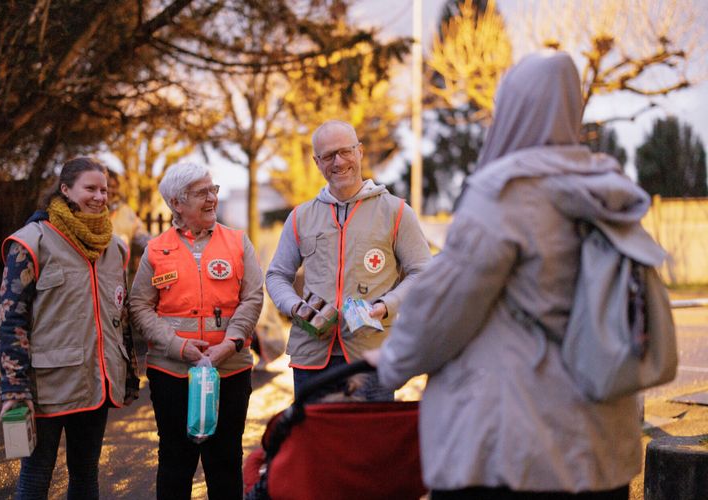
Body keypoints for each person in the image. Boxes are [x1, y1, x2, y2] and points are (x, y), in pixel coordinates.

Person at [365, 52, 652, 499]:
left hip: (516, 447)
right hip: (602, 446)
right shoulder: (607, 189)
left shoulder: (504, 193)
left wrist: (390, 361)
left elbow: (442, 311)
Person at [0, 157, 140, 498]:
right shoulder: (32, 242)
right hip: (46, 386)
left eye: (103, 190)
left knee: (86, 476)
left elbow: (121, 317)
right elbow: (10, 320)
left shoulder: (114, 247)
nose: (99, 196)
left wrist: (128, 373)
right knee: (35, 478)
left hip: (96, 382)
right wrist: (14, 389)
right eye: (89, 188)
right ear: (65, 190)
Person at [265, 119, 430, 402]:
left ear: (360, 152)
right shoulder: (300, 217)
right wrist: (295, 307)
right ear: (317, 162)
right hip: (312, 357)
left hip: (371, 358)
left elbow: (422, 273)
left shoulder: (396, 212)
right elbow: (276, 275)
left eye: (345, 151)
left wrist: (384, 306)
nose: (338, 162)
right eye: (328, 156)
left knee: (370, 443)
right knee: (316, 443)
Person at [129, 162, 263, 500]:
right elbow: (139, 306)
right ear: (177, 202)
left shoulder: (237, 242)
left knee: (225, 461)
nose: (212, 198)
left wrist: (230, 345)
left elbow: (253, 297)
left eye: (213, 189)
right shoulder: (156, 250)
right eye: (202, 192)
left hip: (230, 369)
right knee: (175, 461)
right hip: (172, 373)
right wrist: (177, 346)